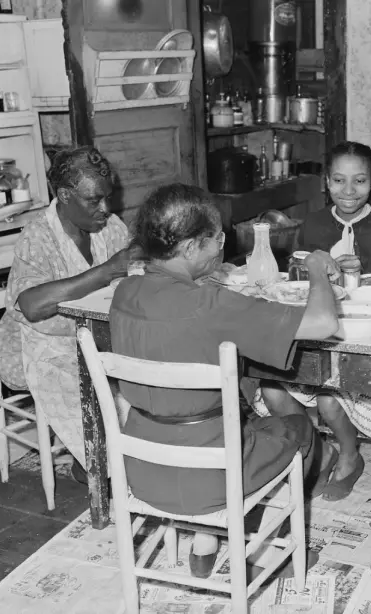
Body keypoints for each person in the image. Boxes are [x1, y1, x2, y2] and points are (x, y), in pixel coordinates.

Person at [109, 183, 340, 579]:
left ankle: (205, 541)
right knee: (300, 428)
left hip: (144, 470)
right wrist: (318, 271)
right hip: (212, 479)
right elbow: (324, 322)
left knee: (239, 419)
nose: (222, 244)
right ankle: (264, 551)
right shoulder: (211, 304)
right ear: (189, 247)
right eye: (217, 238)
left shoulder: (124, 292)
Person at [254, 141, 371, 501]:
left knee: (329, 401)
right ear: (327, 181)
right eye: (339, 180)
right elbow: (297, 279)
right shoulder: (313, 224)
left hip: (370, 340)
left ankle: (350, 456)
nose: (349, 191)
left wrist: (362, 274)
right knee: (272, 390)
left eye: (359, 181)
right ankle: (318, 451)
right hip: (319, 339)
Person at [0, 146, 140, 480]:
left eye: (108, 197)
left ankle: (116, 459)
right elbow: (32, 306)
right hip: (39, 345)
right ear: (64, 195)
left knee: (147, 375)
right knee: (96, 392)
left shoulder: (110, 226)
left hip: (96, 336)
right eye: (94, 200)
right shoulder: (38, 236)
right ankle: (100, 467)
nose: (106, 208)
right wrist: (107, 271)